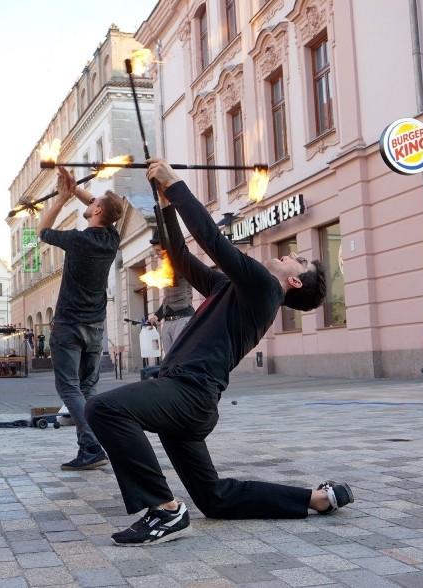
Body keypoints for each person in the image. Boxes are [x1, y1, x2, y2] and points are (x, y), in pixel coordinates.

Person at [85, 159, 351, 547]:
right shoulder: (233, 286)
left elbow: (212, 239)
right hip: (190, 397)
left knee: (104, 408)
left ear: (294, 281)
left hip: (189, 392)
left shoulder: (265, 288)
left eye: (300, 259)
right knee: (214, 498)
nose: (293, 253)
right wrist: (164, 205)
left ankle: (164, 510)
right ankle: (318, 499)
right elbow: (180, 259)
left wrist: (176, 185)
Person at [38, 165, 123, 471]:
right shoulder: (111, 237)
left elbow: (43, 231)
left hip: (69, 325)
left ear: (97, 209)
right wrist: (74, 189)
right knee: (87, 388)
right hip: (96, 326)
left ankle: (91, 445)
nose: (88, 203)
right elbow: (102, 208)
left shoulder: (78, 239)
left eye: (93, 202)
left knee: (69, 388)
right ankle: (89, 449)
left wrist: (60, 199)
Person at [146, 230, 195, 357]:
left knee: (183, 358)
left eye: (158, 250)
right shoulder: (164, 268)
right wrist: (156, 317)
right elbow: (167, 299)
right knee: (169, 360)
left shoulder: (181, 263)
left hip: (182, 319)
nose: (156, 255)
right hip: (167, 323)